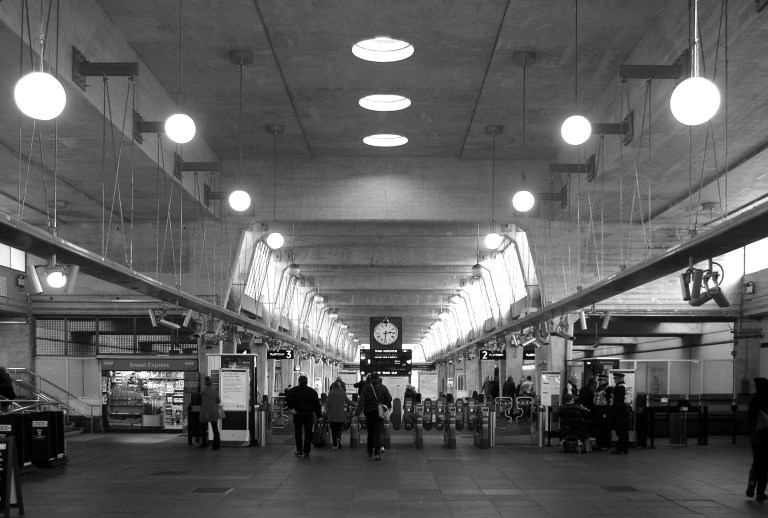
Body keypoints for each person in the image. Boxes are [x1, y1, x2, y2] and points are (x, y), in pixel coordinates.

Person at [354, 372, 392, 461]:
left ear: (370, 378)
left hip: (369, 413)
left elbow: (361, 402)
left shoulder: (365, 388)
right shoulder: (383, 388)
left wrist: (356, 414)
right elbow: (389, 398)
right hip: (379, 413)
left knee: (370, 432)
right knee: (377, 433)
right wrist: (384, 405)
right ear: (378, 378)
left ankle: (370, 451)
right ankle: (377, 453)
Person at [285, 375, 322, 458]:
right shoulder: (312, 391)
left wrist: (292, 407)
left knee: (298, 432)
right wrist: (319, 415)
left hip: (298, 414)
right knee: (308, 432)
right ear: (307, 382)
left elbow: (288, 399)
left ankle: (299, 450)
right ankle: (306, 451)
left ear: (299, 381)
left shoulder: (293, 390)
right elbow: (316, 404)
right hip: (309, 414)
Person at [747, 377, 768, 501]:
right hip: (766, 436)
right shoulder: (767, 400)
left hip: (755, 436)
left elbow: (749, 419)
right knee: (765, 465)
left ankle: (751, 482)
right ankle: (760, 493)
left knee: (756, 462)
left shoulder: (753, 400)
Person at [326, 381, 355, 450]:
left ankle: (334, 445)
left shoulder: (331, 393)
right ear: (340, 386)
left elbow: (328, 404)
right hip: (340, 413)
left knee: (333, 430)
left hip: (332, 414)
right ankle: (339, 438)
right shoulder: (342, 392)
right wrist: (354, 404)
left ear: (333, 386)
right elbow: (348, 401)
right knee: (339, 429)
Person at [199, 376, 221, 450]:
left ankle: (204, 443)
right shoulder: (215, 391)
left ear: (205, 383)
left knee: (203, 429)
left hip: (205, 412)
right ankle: (216, 445)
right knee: (215, 428)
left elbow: (202, 402)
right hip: (214, 412)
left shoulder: (204, 392)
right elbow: (218, 401)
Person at [610, 372, 629, 455]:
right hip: (626, 412)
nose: (614, 380)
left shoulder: (619, 388)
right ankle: (625, 449)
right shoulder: (627, 387)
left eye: (615, 379)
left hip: (619, 413)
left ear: (619, 379)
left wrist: (614, 412)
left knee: (620, 431)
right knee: (625, 431)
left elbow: (617, 402)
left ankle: (620, 449)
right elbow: (628, 400)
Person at [592, 374, 611, 450]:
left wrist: (607, 411)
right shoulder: (598, 388)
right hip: (598, 410)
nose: (599, 382)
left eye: (601, 380)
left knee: (605, 428)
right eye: (599, 380)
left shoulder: (608, 389)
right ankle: (599, 444)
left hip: (604, 410)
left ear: (605, 380)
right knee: (599, 428)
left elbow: (610, 401)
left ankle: (605, 445)